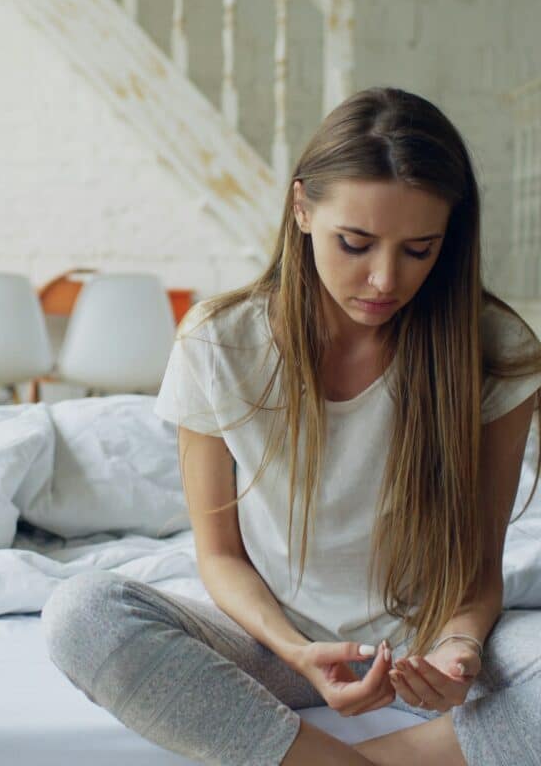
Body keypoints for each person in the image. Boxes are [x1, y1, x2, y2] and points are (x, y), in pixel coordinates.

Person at [40, 87, 541, 765]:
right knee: (82, 614)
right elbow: (219, 556)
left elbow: (479, 568)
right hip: (275, 646)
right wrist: (298, 651)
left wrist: (459, 649)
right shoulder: (219, 343)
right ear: (302, 209)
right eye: (355, 243)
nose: (384, 279)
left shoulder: (496, 349)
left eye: (419, 250)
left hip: (427, 654)